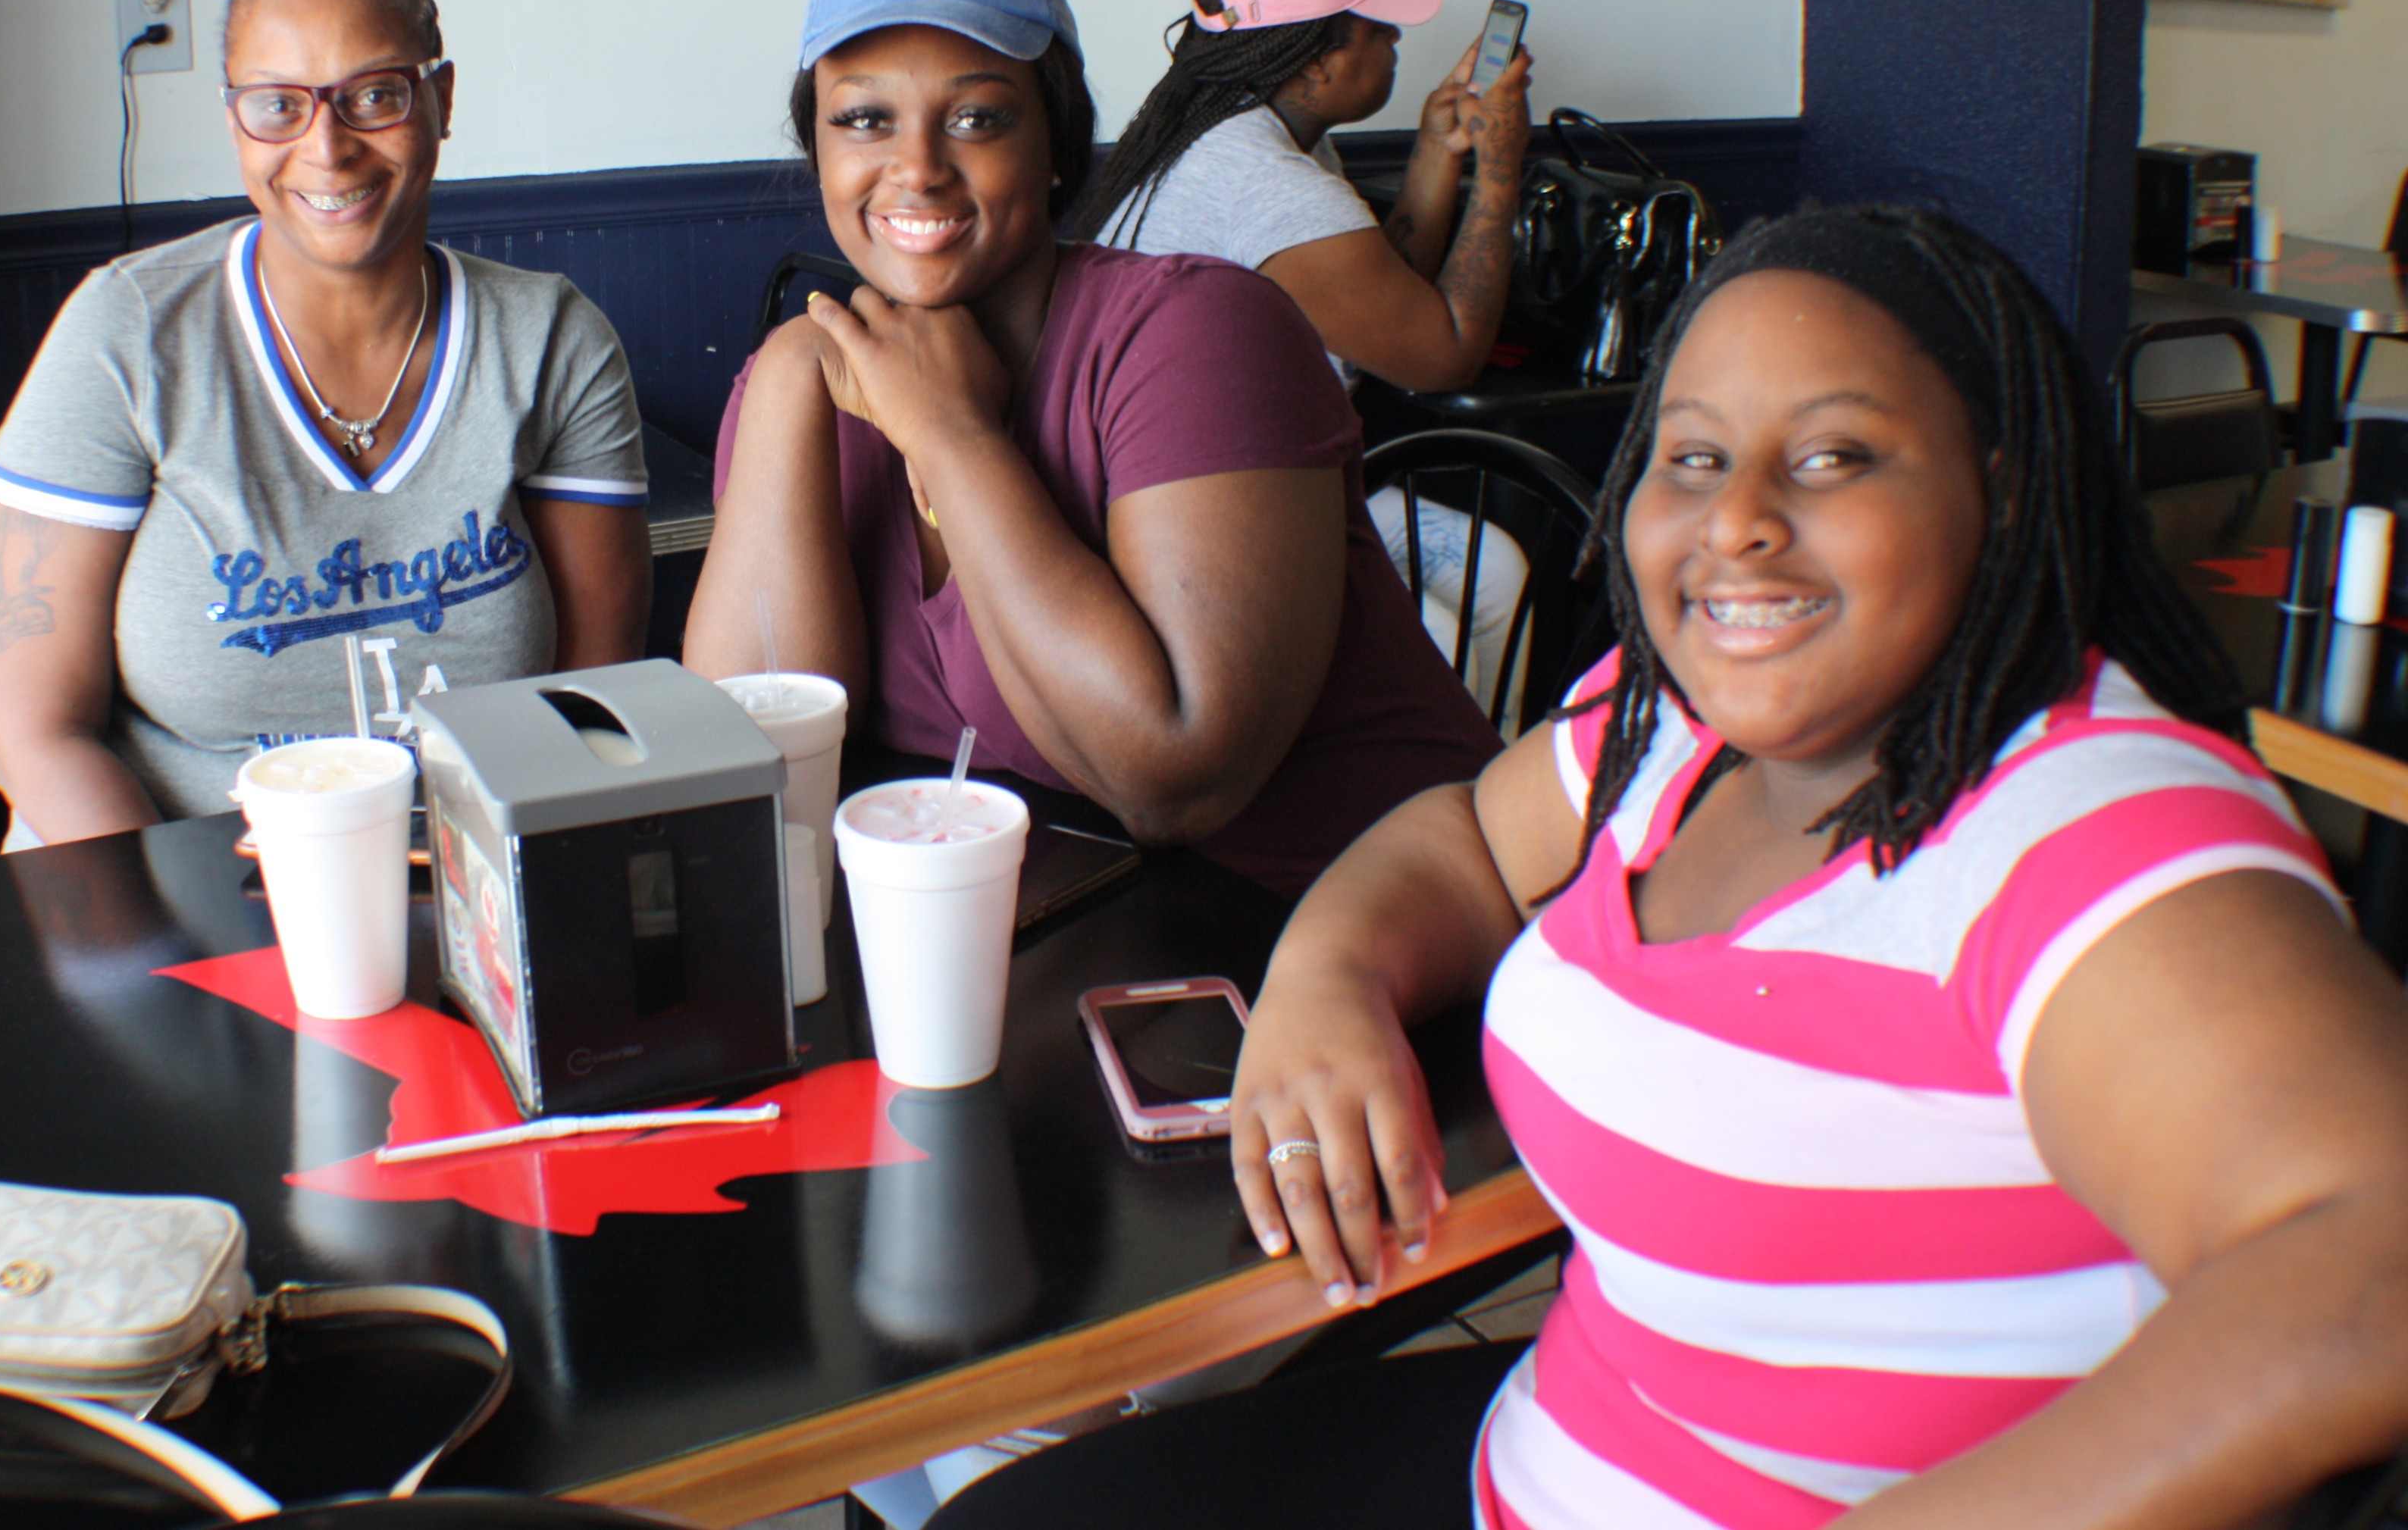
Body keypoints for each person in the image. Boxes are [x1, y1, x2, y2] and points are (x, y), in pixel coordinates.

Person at [930, 206, 2408, 1528]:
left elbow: (2367, 1274)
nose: (1737, 518)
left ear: (2004, 490)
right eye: (1691, 457)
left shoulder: (2085, 828)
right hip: (1539, 1458)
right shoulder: (1676, 733)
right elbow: (1454, 842)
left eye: (1832, 456)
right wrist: (1326, 979)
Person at [684, 0, 1498, 899]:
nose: (918, 166)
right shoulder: (818, 384)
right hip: (1065, 945)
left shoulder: (1197, 328)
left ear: (1058, 142)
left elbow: (1174, 777)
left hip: (1375, 939)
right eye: (862, 119)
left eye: (978, 117)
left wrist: (952, 436)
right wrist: (786, 374)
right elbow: (757, 775)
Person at [0, 0, 650, 843]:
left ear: (441, 99)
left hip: (466, 883)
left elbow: (589, 696)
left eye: (374, 94)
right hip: (160, 885)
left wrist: (495, 909)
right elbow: (33, 728)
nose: (325, 147)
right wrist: (183, 941)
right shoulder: (125, 332)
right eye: (278, 105)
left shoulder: (550, 340)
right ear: (235, 120)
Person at [1069, 0, 1536, 699]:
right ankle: (1423, 801)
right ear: (1316, 60)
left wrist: (1434, 151)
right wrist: (1500, 170)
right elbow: (1443, 350)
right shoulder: (1265, 184)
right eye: (1378, 28)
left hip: (1246, 486)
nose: (1396, 43)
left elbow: (1371, 300)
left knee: (1495, 575)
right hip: (1214, 528)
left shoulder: (1249, 134)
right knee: (1443, 637)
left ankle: (1479, 800)